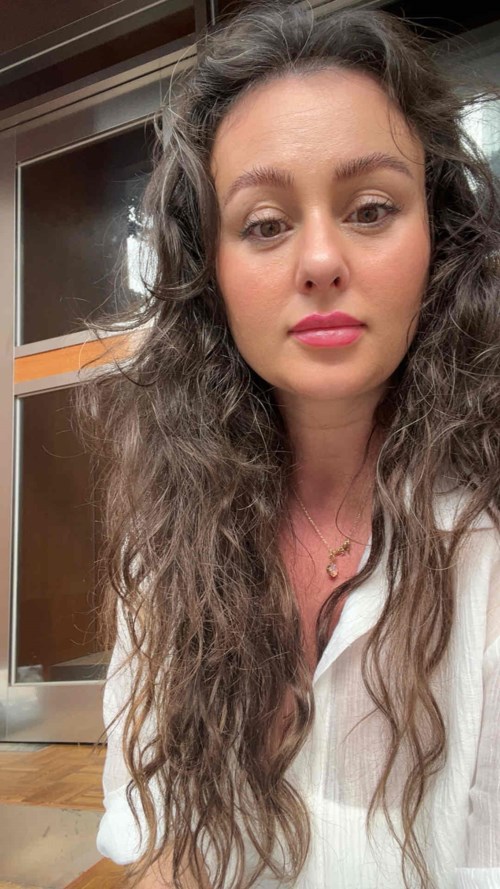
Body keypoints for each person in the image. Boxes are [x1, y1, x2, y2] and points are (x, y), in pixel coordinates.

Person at [77, 1, 500, 886]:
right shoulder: (171, 536)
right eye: (265, 223)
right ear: (211, 273)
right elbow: (153, 838)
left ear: (441, 239)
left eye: (371, 208)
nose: (319, 260)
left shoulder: (486, 542)